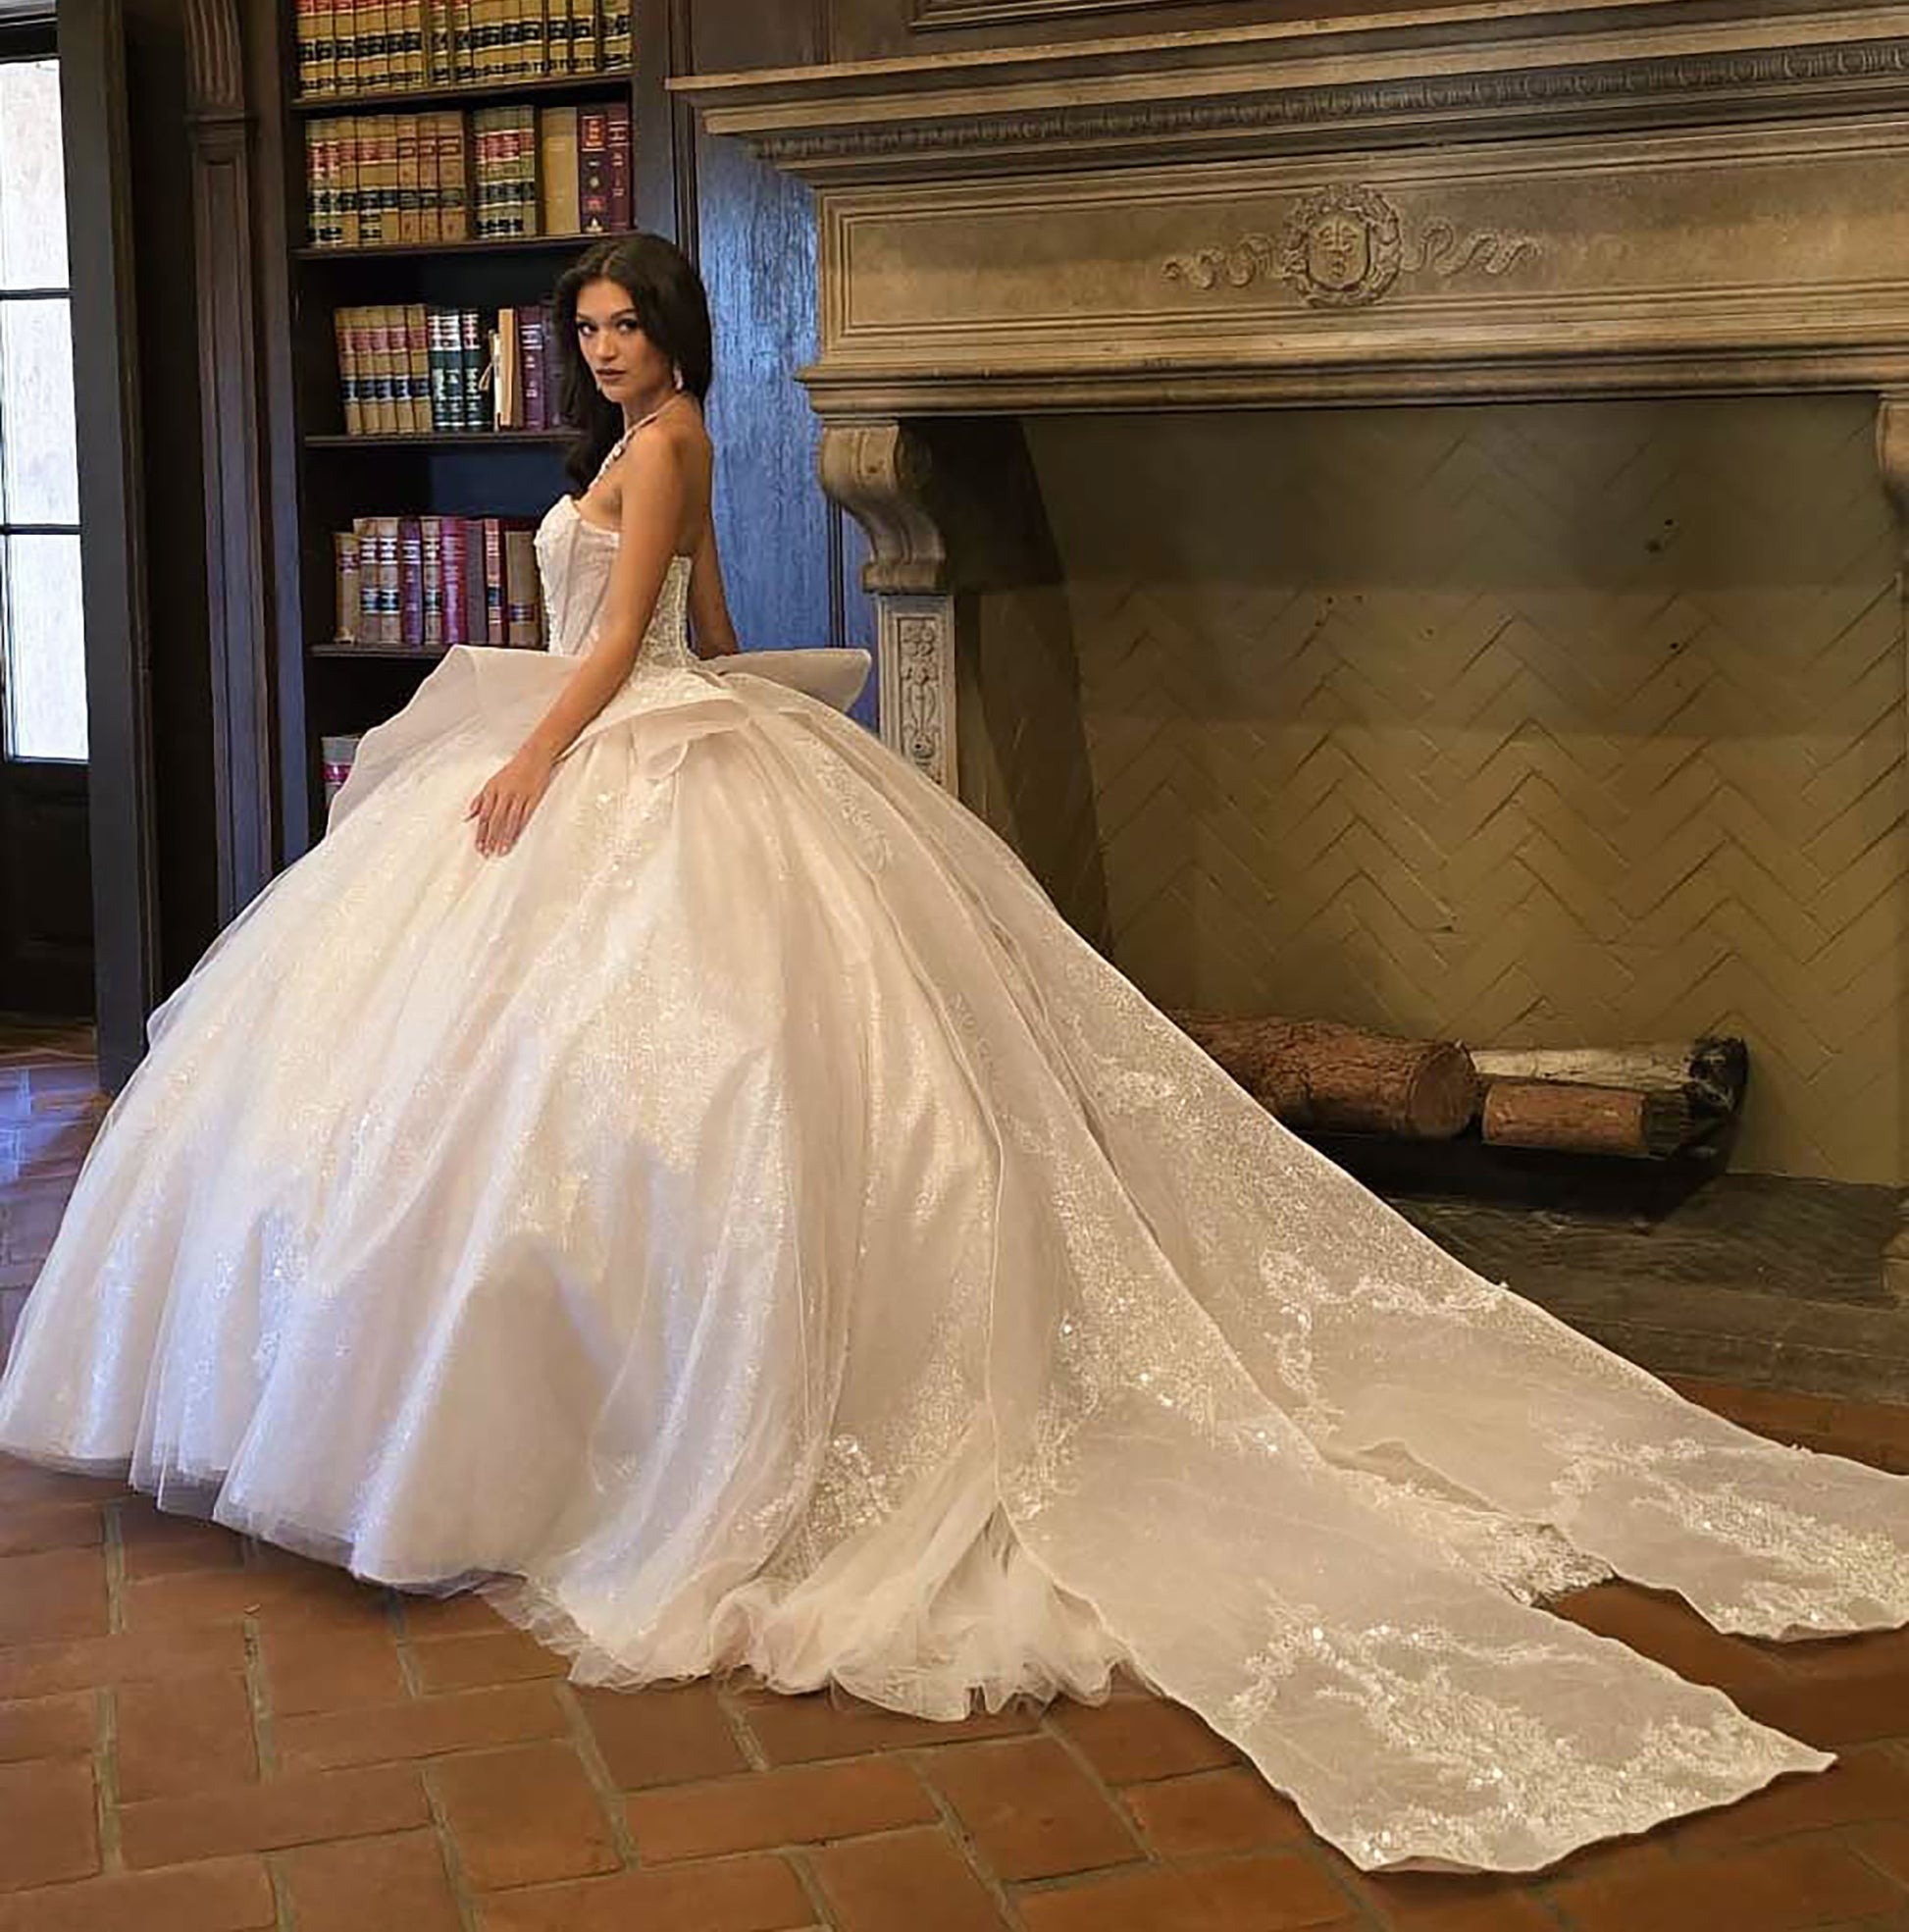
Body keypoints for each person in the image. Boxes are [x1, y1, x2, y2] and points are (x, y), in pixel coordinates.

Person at [1, 234, 1904, 1875]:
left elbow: (619, 649)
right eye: (581, 332)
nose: (602, 355)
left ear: (674, 338)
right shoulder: (630, 448)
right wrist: (696, 692)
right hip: (631, 734)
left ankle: (591, 1425)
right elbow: (707, 618)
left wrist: (536, 749)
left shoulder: (662, 443)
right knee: (472, 1074)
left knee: (702, 1073)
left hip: (609, 741)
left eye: (621, 328)